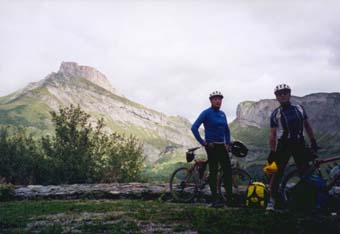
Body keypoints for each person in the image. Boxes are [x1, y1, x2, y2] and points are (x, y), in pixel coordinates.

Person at [266, 84, 318, 210]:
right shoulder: (276, 113)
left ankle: (307, 200)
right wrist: (273, 151)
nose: (283, 95)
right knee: (277, 173)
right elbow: (272, 135)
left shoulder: (299, 108)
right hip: (284, 145)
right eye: (280, 94)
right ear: (277, 97)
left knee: (305, 172)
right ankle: (272, 200)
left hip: (299, 143)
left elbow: (307, 125)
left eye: (285, 93)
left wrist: (313, 140)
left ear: (289, 94)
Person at [191, 91, 232, 208]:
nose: (218, 101)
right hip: (212, 146)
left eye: (220, 99)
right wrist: (203, 142)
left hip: (221, 146)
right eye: (215, 99)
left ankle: (229, 199)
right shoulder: (206, 113)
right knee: (213, 172)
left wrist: (228, 143)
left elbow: (227, 130)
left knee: (228, 171)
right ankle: (215, 200)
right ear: (211, 101)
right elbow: (194, 127)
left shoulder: (223, 114)